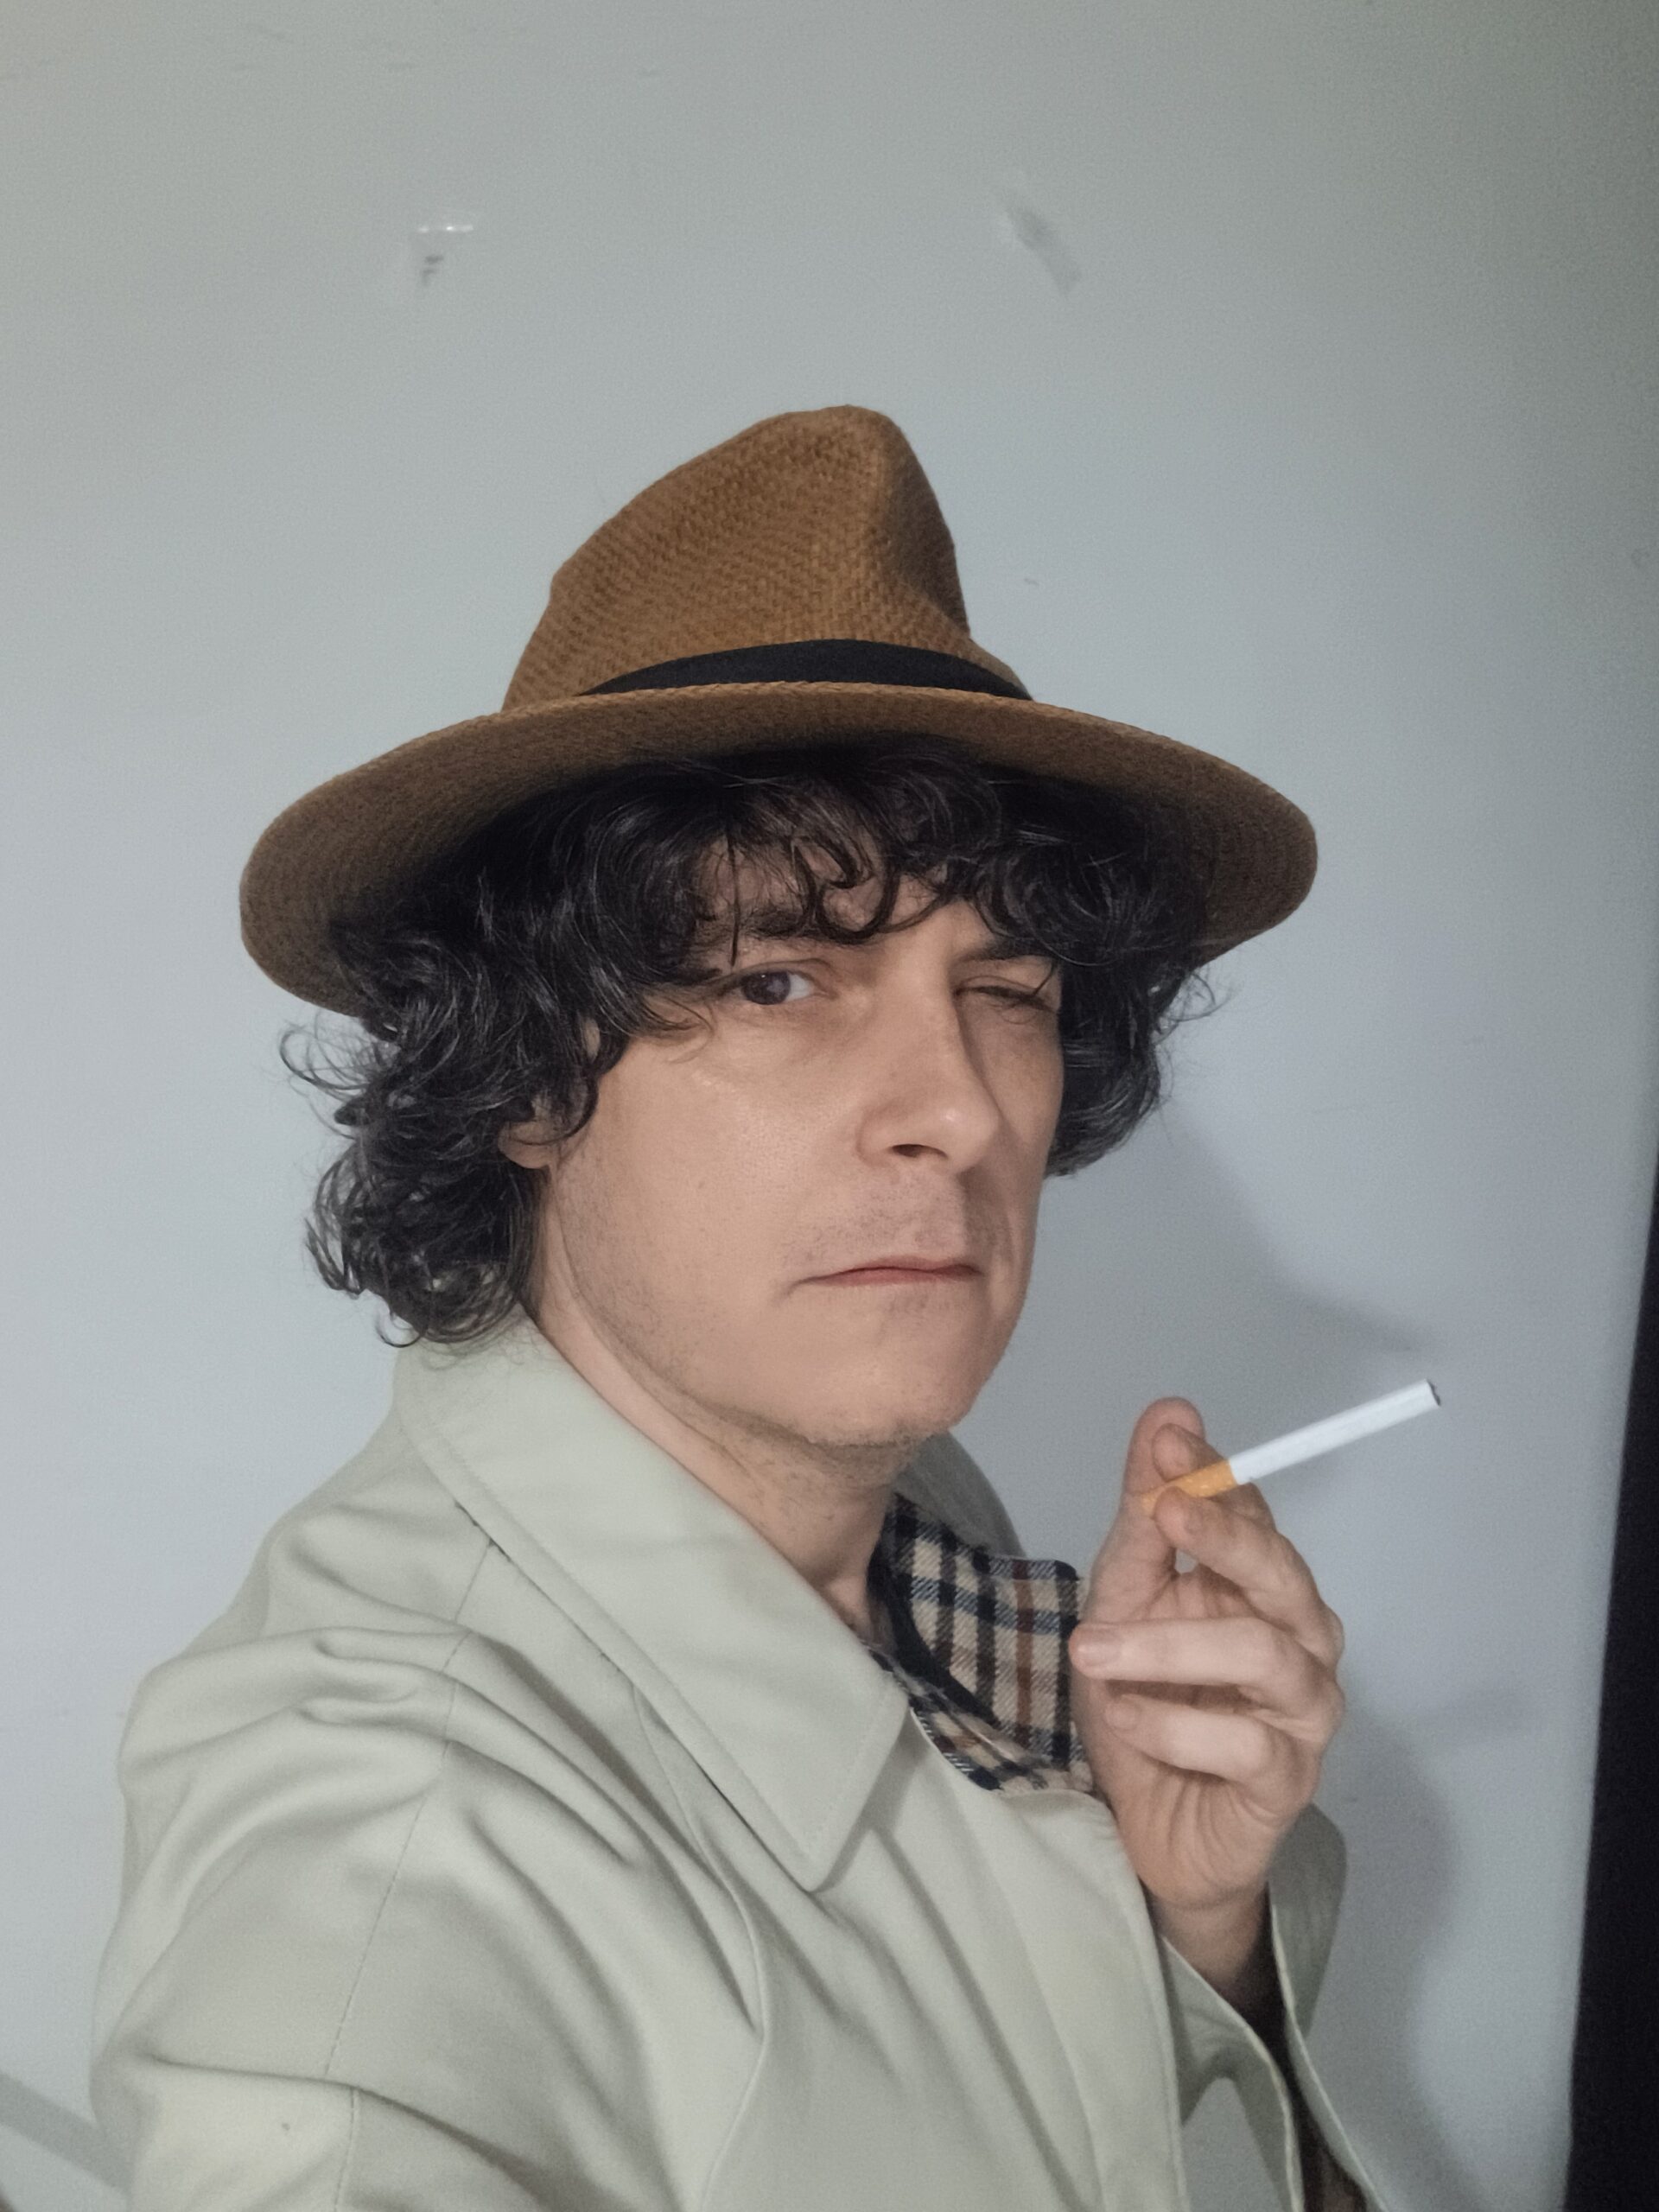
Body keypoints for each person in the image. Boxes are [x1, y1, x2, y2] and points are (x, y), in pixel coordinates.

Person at [90, 404, 1381, 2209]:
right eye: (782, 977)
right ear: (529, 1072)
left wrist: (1191, 1915)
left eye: (1005, 987)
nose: (956, 1108)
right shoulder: (387, 1850)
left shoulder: (902, 1498)